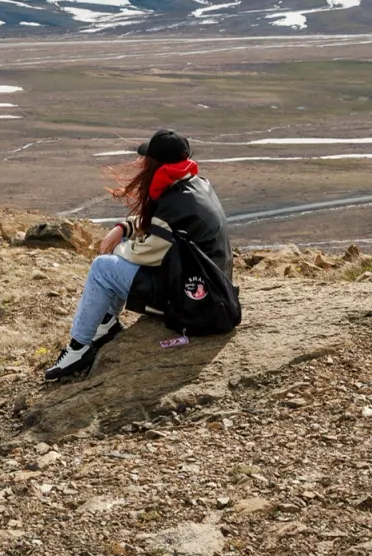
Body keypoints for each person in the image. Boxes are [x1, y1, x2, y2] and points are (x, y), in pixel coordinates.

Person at [44, 130, 232, 381]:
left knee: (103, 268)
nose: (142, 164)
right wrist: (125, 228)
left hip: (192, 302)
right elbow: (161, 226)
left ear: (156, 164)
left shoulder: (175, 204)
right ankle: (107, 324)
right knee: (116, 259)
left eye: (146, 159)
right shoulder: (195, 185)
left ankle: (78, 349)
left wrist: (118, 247)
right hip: (208, 288)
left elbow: (144, 254)